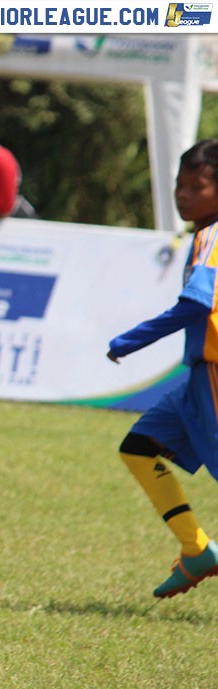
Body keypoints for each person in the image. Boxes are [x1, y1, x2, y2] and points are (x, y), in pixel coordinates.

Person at [108, 138, 218, 599]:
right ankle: (197, 549)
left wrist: (130, 340)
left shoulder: (211, 237)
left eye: (197, 185)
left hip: (213, 377)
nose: (183, 194)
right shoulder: (204, 234)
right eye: (179, 184)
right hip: (197, 379)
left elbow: (196, 303)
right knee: (137, 447)